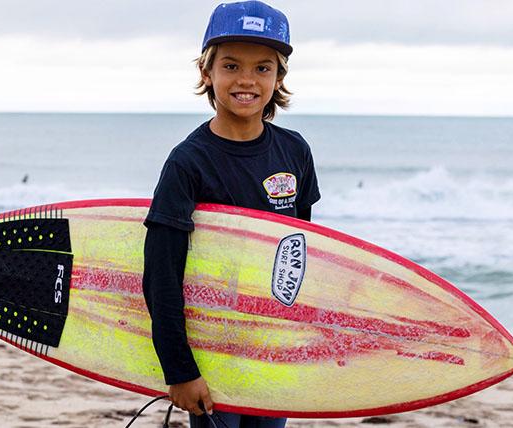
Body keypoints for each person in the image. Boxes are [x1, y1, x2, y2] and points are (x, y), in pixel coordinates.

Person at [142, 1, 320, 427]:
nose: (246, 80)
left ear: (279, 77)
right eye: (231, 65)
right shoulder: (188, 162)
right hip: (212, 349)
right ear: (207, 72)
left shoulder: (294, 151)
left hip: (270, 349)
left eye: (263, 68)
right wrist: (180, 370)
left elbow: (302, 253)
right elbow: (161, 273)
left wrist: (302, 339)